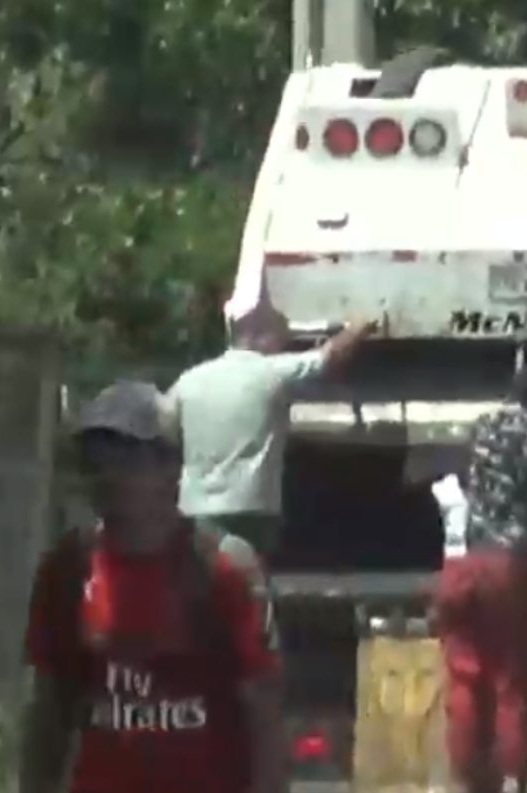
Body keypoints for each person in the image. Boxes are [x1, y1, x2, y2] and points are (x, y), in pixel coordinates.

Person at [19, 381, 285, 793]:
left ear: (171, 467)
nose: (106, 474)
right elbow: (49, 709)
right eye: (94, 459)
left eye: (126, 458)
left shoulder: (223, 567)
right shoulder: (69, 568)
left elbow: (263, 713)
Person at [436, 366, 527, 793]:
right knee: (509, 678)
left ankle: (464, 779)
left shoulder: (479, 427)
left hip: (463, 563)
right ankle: (510, 780)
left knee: (465, 676)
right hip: (509, 566)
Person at [164, 305, 379, 556]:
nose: (283, 342)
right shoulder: (271, 372)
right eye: (280, 334)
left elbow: (162, 430)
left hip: (195, 507)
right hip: (251, 505)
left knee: (200, 583)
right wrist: (358, 327)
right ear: (259, 335)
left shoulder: (188, 380)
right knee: (247, 582)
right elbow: (329, 357)